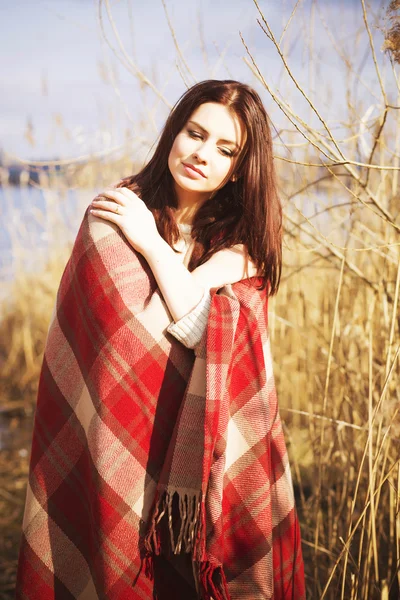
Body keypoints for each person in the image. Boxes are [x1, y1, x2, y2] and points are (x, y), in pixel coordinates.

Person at [16, 80, 305, 599]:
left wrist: (151, 244)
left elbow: (202, 333)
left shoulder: (240, 247)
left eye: (225, 148)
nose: (201, 154)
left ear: (239, 168)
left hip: (199, 458)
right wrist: (169, 261)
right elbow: (157, 332)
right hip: (118, 436)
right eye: (195, 133)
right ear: (174, 132)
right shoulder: (114, 215)